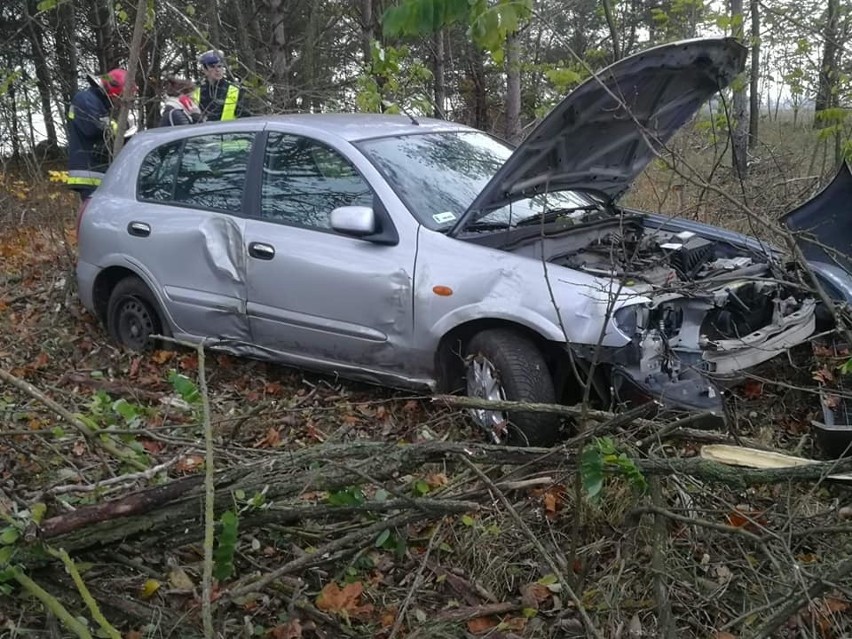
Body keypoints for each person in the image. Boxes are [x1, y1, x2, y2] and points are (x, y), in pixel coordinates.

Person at [66, 68, 135, 200]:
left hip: (99, 170)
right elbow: (93, 128)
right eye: (119, 98)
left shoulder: (98, 102)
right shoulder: (85, 99)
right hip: (89, 172)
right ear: (112, 91)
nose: (119, 103)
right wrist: (122, 128)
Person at [193, 49, 251, 122]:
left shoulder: (235, 90)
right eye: (213, 67)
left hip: (228, 132)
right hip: (204, 132)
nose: (217, 70)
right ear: (204, 70)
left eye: (220, 66)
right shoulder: (197, 92)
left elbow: (245, 119)